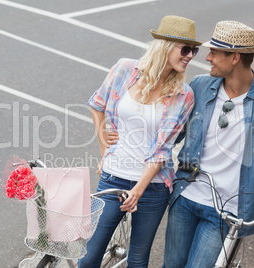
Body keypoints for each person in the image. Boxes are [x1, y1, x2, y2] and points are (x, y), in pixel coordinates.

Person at [162, 20, 254, 267]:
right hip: (186, 197)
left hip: (226, 212)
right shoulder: (200, 86)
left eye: (214, 53)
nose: (207, 58)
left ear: (235, 58)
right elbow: (170, 134)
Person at [78, 16, 201, 268]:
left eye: (194, 51)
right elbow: (97, 104)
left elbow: (162, 149)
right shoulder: (125, 69)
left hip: (153, 188)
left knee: (137, 260)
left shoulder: (183, 94)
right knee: (88, 257)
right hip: (113, 177)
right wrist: (105, 146)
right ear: (165, 46)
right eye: (185, 49)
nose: (190, 56)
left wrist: (139, 190)